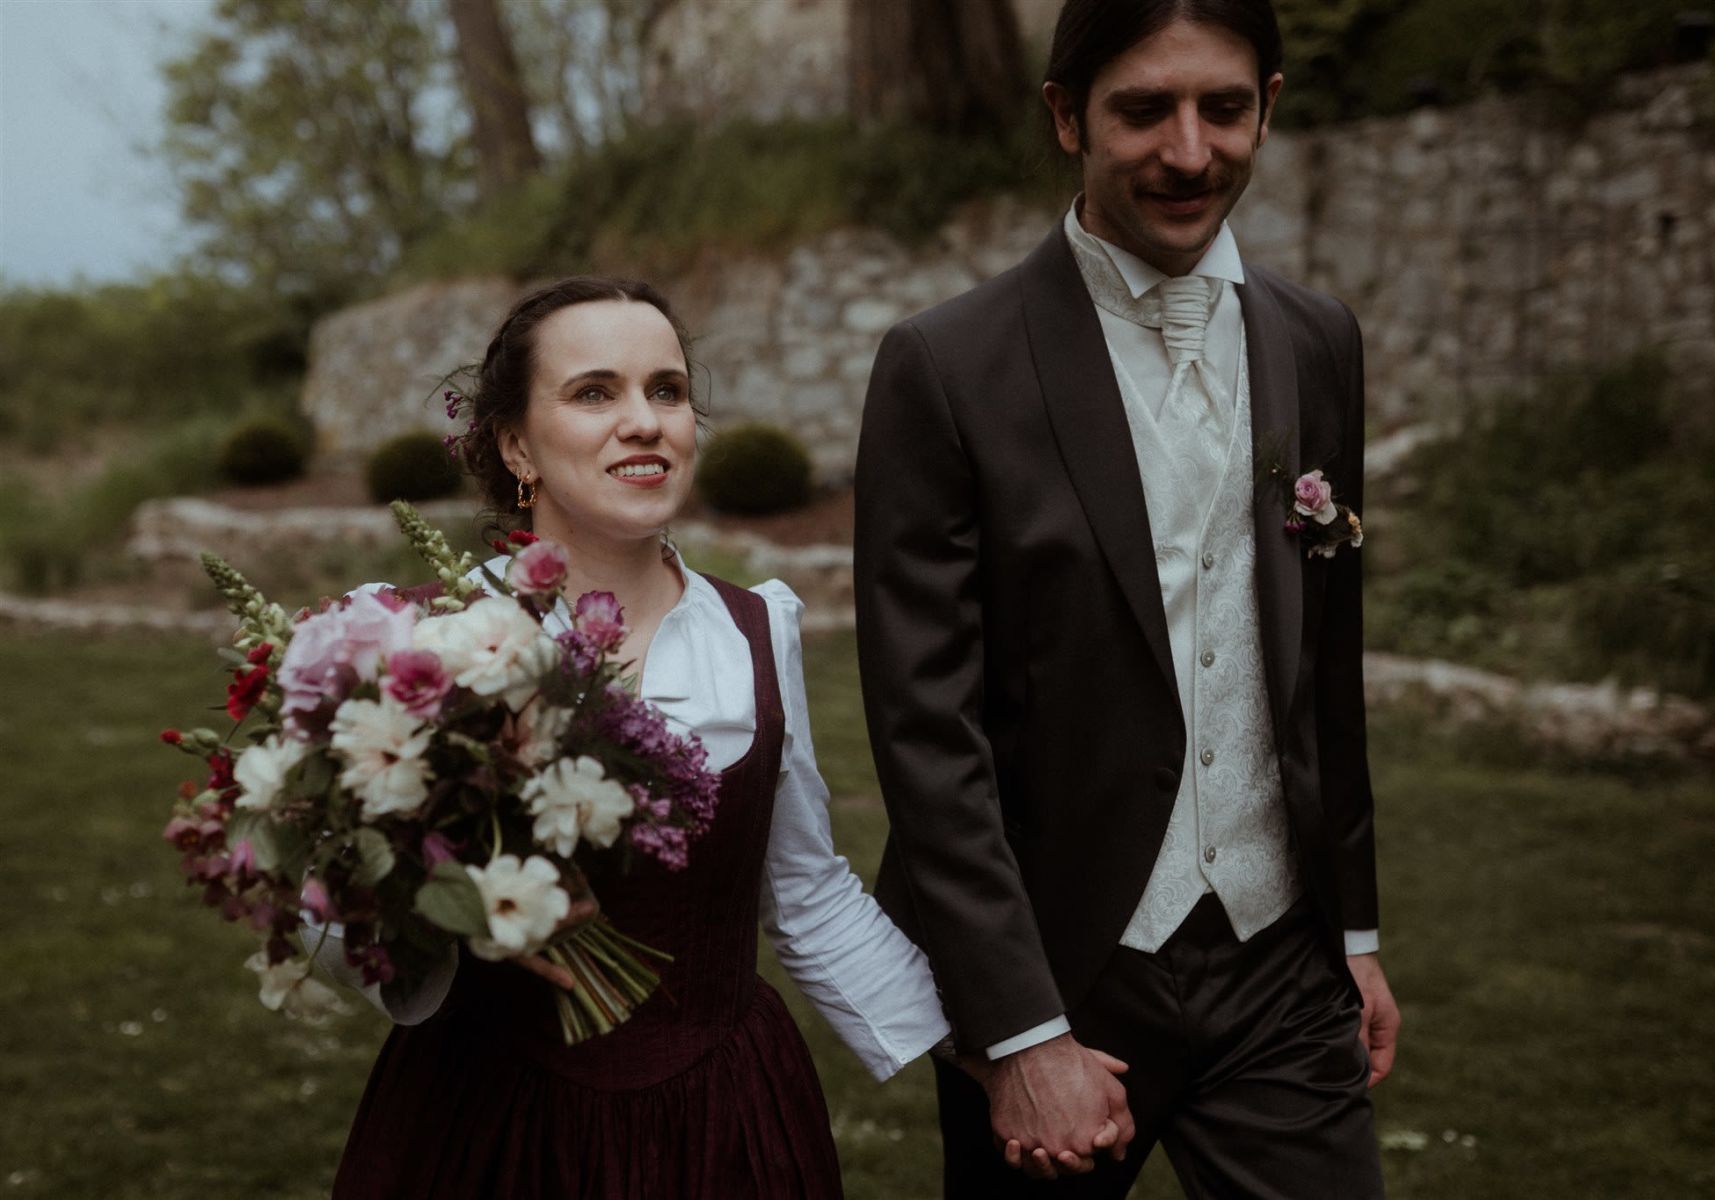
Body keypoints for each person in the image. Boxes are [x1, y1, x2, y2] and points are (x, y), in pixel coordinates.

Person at [853, 1, 1399, 1195]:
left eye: (1226, 108)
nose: (1191, 152)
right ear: (1066, 116)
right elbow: (924, 735)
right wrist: (1016, 1030)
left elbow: (1326, 666)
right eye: (1145, 109)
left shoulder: (1319, 342)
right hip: (1061, 972)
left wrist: (1350, 932)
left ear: (1272, 108)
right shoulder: (944, 367)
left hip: (1280, 960)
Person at [322, 277, 951, 1198]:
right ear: (515, 444)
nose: (646, 420)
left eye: (667, 390)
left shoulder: (757, 630)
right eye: (594, 392)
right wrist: (436, 906)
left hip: (723, 1126)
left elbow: (807, 892)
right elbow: (329, 920)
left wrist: (1000, 1048)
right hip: (489, 1129)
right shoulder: (416, 646)